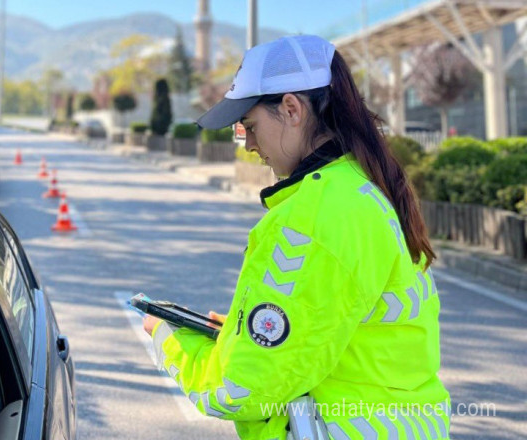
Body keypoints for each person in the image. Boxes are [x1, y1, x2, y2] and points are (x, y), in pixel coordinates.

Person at [143, 35, 451, 439]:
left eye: (249, 126)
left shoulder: (316, 216)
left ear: (291, 109)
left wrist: (167, 338)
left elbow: (237, 390)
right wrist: (240, 336)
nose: (248, 144)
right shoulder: (362, 187)